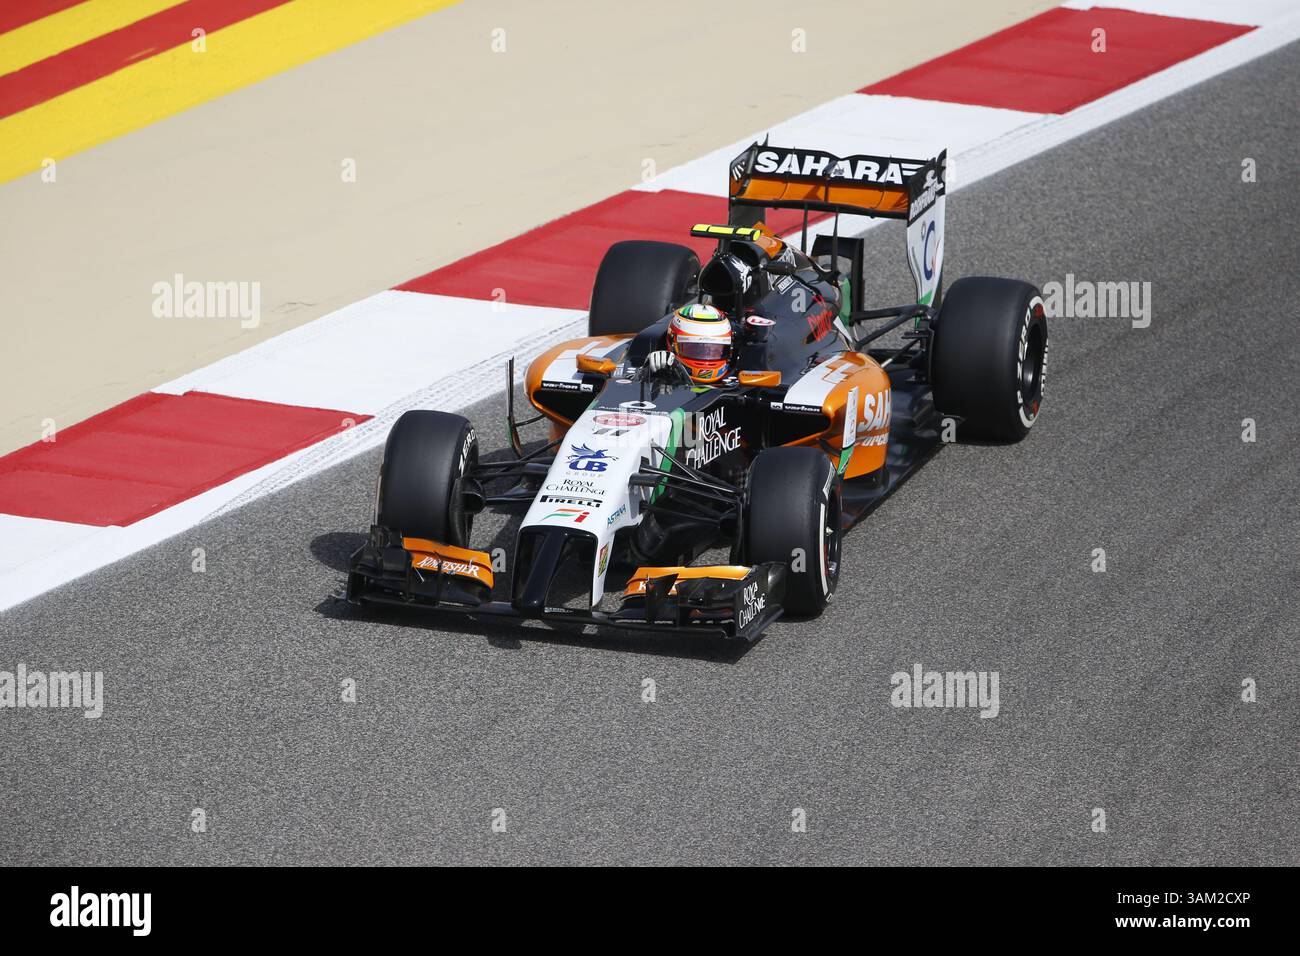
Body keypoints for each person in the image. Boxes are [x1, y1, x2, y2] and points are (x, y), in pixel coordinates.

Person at [644, 304, 735, 385]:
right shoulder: (659, 370)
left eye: (715, 349)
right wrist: (652, 372)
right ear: (672, 343)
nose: (705, 353)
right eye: (694, 348)